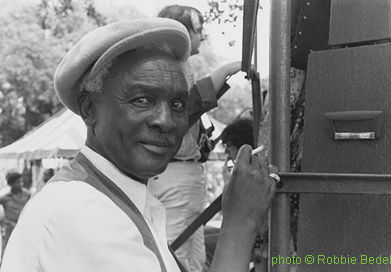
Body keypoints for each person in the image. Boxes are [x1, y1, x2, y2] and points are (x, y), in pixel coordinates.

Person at [0, 18, 277, 272]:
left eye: (178, 104)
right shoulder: (80, 211)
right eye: (141, 100)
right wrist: (240, 222)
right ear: (89, 109)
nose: (165, 121)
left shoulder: (125, 198)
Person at [148, 6, 241, 272]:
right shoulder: (166, 72)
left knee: (193, 258)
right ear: (179, 32)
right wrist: (225, 72)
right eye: (198, 30)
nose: (203, 36)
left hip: (181, 173)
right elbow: (189, 106)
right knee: (173, 250)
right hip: (175, 174)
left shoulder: (173, 69)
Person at [0, 171, 30, 257]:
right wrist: (4, 221)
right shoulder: (5, 198)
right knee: (7, 250)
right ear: (11, 184)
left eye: (21, 181)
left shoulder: (27, 194)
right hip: (10, 228)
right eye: (17, 182)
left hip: (24, 227)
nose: (20, 184)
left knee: (24, 249)